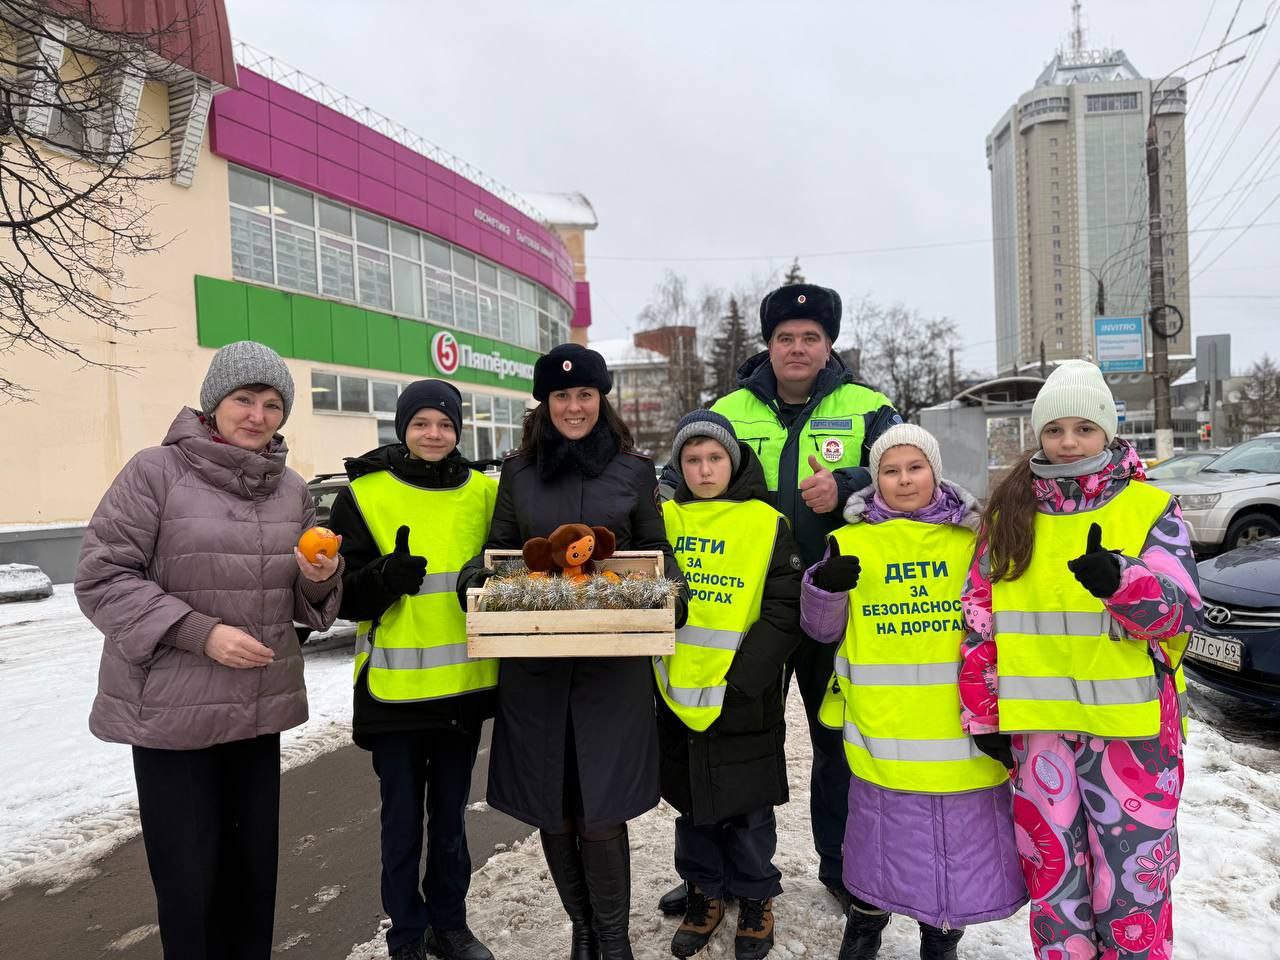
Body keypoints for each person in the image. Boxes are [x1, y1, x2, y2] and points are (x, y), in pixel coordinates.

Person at [76, 340, 343, 960]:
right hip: (175, 718)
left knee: (252, 884)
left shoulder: (292, 489)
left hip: (257, 710)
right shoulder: (154, 472)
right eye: (243, 399)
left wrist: (320, 578)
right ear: (213, 403)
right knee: (191, 892)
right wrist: (201, 633)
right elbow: (102, 579)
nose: (257, 415)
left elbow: (304, 605)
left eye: (272, 404)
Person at [660, 283, 901, 917]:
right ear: (768, 344)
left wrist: (850, 483)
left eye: (810, 337)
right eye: (785, 337)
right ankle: (707, 875)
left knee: (833, 739)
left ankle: (841, 866)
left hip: (833, 604)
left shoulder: (870, 408)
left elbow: (909, 481)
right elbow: (674, 482)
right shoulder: (730, 409)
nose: (797, 348)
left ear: (829, 345)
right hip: (749, 612)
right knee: (722, 736)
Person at [959, 360, 1200, 960]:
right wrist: (984, 715)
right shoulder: (1009, 516)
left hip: (1132, 738)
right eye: (1056, 429)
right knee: (1055, 884)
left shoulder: (1149, 508)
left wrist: (1123, 581)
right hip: (1041, 737)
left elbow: (1180, 612)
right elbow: (978, 624)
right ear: (1038, 435)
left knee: (1132, 890)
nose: (1069, 443)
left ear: (1110, 433)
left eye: (1084, 429)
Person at [457, 343, 688, 960]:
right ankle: (583, 932)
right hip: (535, 670)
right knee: (552, 808)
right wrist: (473, 579)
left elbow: (657, 554)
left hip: (611, 673)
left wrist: (674, 594)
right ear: (545, 402)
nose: (574, 406)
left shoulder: (635, 472)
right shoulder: (520, 473)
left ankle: (613, 942)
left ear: (601, 399)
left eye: (585, 394)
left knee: (601, 810)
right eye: (562, 395)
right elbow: (500, 550)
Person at [801, 424, 1027, 960]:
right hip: (886, 729)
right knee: (881, 846)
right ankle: (865, 923)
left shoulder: (976, 539)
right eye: (891, 470)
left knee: (959, 851)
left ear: (935, 471)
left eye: (915, 467)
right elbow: (821, 630)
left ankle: (942, 936)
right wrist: (825, 589)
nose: (904, 480)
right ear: (876, 479)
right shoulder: (849, 541)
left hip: (964, 727)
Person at [327, 380, 498, 960]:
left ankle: (451, 925)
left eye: (445, 425)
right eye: (422, 423)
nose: (434, 434)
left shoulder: (484, 492)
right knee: (402, 826)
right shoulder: (362, 496)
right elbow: (338, 599)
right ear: (402, 428)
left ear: (458, 431)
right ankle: (406, 935)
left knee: (449, 822)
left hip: (463, 689)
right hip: (394, 691)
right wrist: (381, 580)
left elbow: (504, 570)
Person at [657, 411, 802, 960]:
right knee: (692, 802)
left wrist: (743, 679)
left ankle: (755, 895)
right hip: (675, 688)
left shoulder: (767, 522)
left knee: (747, 806)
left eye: (714, 457)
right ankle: (704, 892)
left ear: (734, 460)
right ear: (680, 467)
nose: (704, 468)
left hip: (744, 691)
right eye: (692, 460)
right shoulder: (666, 521)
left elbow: (785, 607)